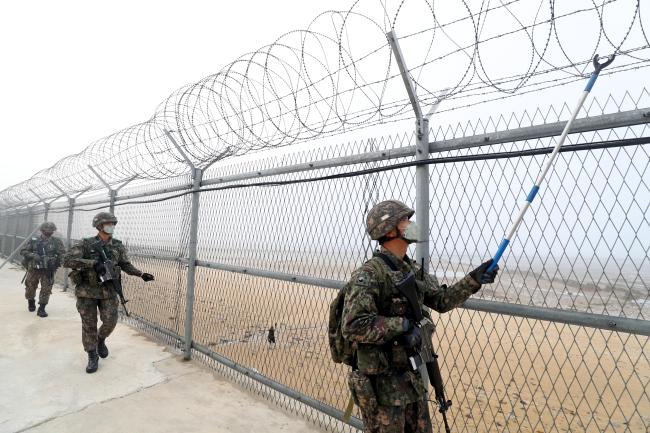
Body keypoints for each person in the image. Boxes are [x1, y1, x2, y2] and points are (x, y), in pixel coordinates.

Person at [341, 200, 499, 433]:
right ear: (390, 230)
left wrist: (473, 279)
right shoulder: (369, 275)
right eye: (405, 220)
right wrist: (403, 325)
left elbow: (441, 301)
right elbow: (353, 325)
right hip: (382, 388)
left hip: (410, 382)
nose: (411, 224)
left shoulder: (411, 269)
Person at [63, 212, 154, 374]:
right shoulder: (86, 244)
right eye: (108, 224)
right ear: (99, 226)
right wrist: (92, 263)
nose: (111, 226)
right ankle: (92, 355)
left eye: (113, 224)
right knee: (89, 325)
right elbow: (67, 260)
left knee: (110, 321)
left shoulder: (117, 246)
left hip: (109, 291)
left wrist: (141, 274)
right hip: (87, 291)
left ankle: (101, 339)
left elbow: (125, 264)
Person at [19, 221, 66, 317]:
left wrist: (56, 260)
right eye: (46, 230)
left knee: (46, 289)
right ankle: (31, 301)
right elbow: (23, 251)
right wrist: (32, 255)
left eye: (51, 230)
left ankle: (42, 308)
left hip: (48, 270)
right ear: (42, 230)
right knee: (30, 287)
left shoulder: (56, 242)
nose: (49, 232)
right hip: (34, 268)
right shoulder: (34, 240)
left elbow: (62, 254)